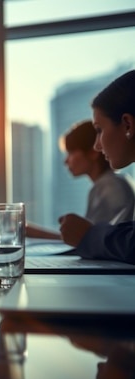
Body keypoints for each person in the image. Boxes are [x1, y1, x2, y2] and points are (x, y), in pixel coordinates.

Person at [59, 70, 135, 262]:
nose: (97, 145)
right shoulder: (104, 187)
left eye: (99, 130)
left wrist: (88, 236)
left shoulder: (111, 188)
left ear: (127, 125)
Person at [27, 120, 135, 239]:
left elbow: (92, 241)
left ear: (93, 152)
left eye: (71, 153)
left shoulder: (110, 187)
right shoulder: (113, 182)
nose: (66, 161)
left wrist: (36, 233)